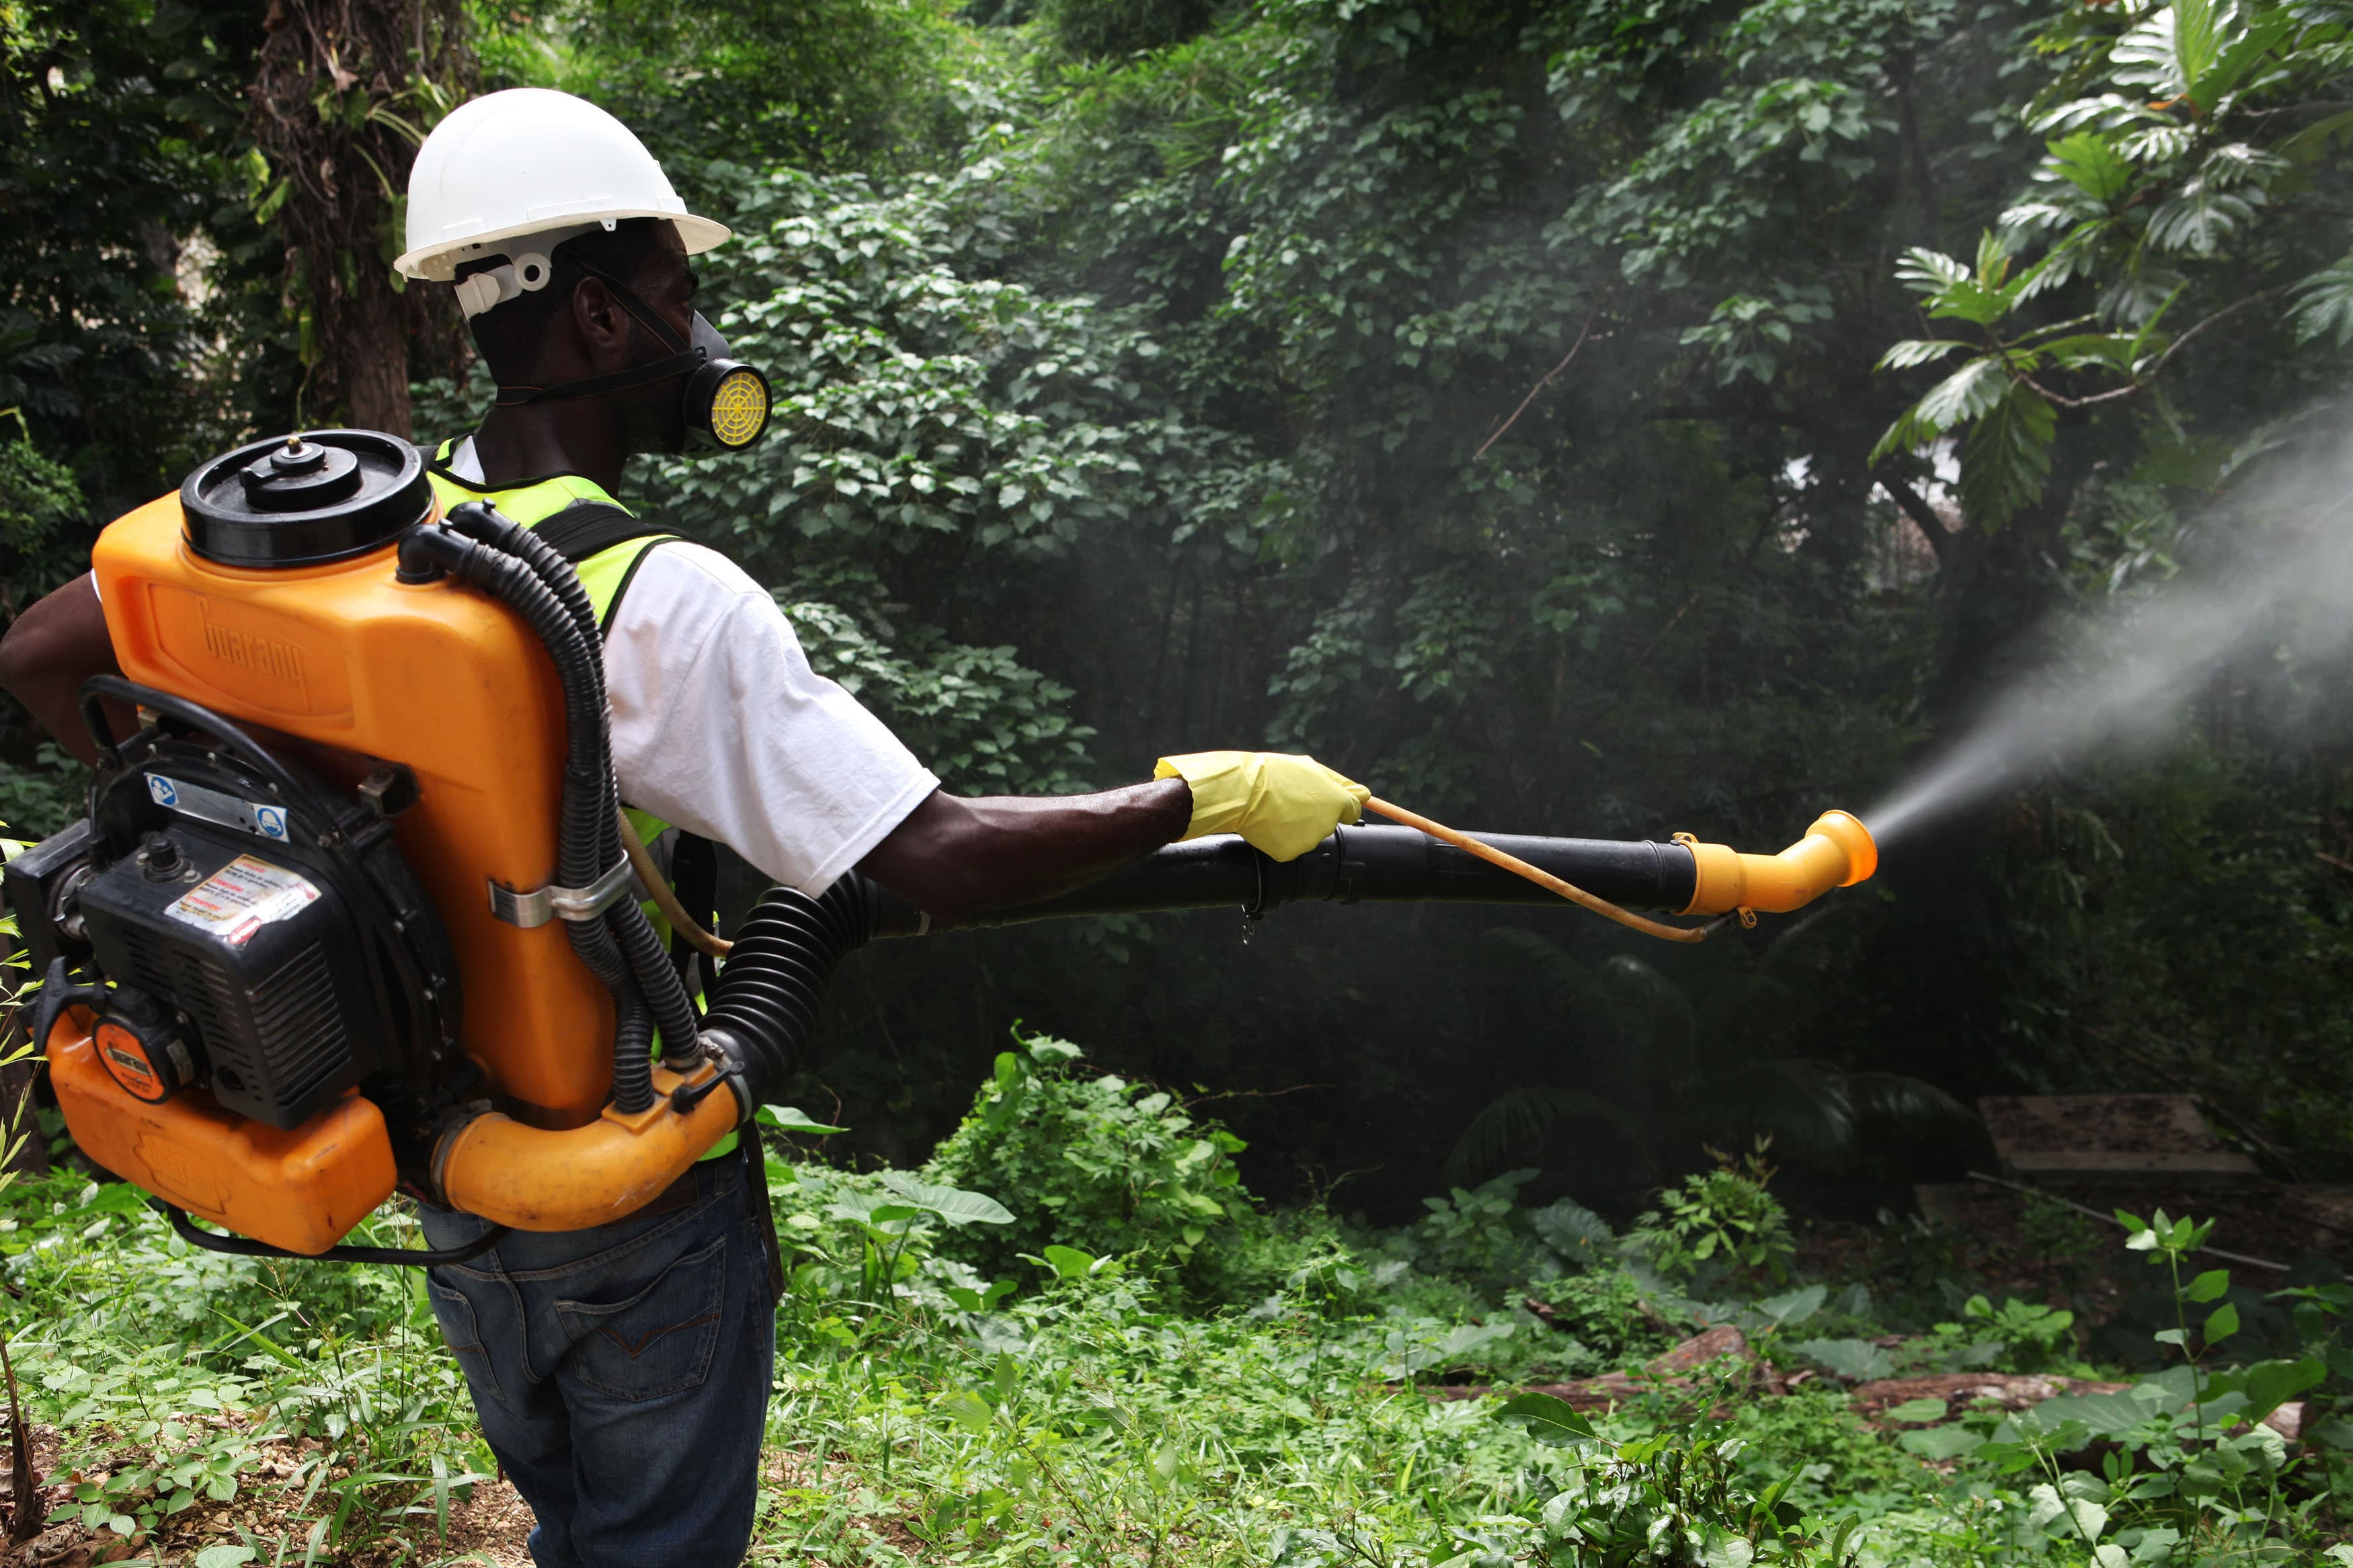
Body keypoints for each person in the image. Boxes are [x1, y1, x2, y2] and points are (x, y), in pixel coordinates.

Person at [0, 88, 1369, 1567]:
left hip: (442, 1160)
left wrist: (187, 829)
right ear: (597, 319)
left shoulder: (348, 549)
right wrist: (1200, 795)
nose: (697, 331)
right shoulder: (655, 594)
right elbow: (936, 856)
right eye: (678, 294)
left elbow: (37, 658)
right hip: (625, 1194)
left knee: (577, 1523)